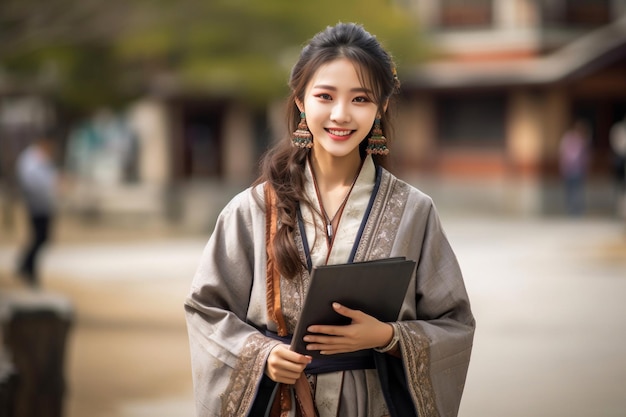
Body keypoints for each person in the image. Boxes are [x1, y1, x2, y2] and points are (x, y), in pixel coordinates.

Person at [185, 22, 475, 417]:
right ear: (301, 100)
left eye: (360, 99)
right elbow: (206, 311)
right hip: (281, 403)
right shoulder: (252, 208)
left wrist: (388, 336)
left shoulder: (414, 210)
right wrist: (262, 355)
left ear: (382, 107)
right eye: (325, 96)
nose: (341, 115)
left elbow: (454, 324)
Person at [15, 129, 59, 287]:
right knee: (39, 237)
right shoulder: (30, 158)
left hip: (45, 203)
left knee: (42, 238)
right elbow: (32, 180)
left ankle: (27, 267)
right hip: (36, 203)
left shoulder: (42, 158)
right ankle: (26, 267)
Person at [559, 120, 590, 216]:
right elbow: (562, 153)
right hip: (569, 169)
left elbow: (586, 156)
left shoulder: (583, 141)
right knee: (570, 190)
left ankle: (577, 210)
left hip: (579, 170)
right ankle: (570, 209)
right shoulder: (568, 138)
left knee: (578, 190)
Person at [609, 116, 626, 218]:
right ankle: (621, 210)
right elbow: (618, 147)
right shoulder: (618, 129)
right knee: (621, 187)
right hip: (621, 164)